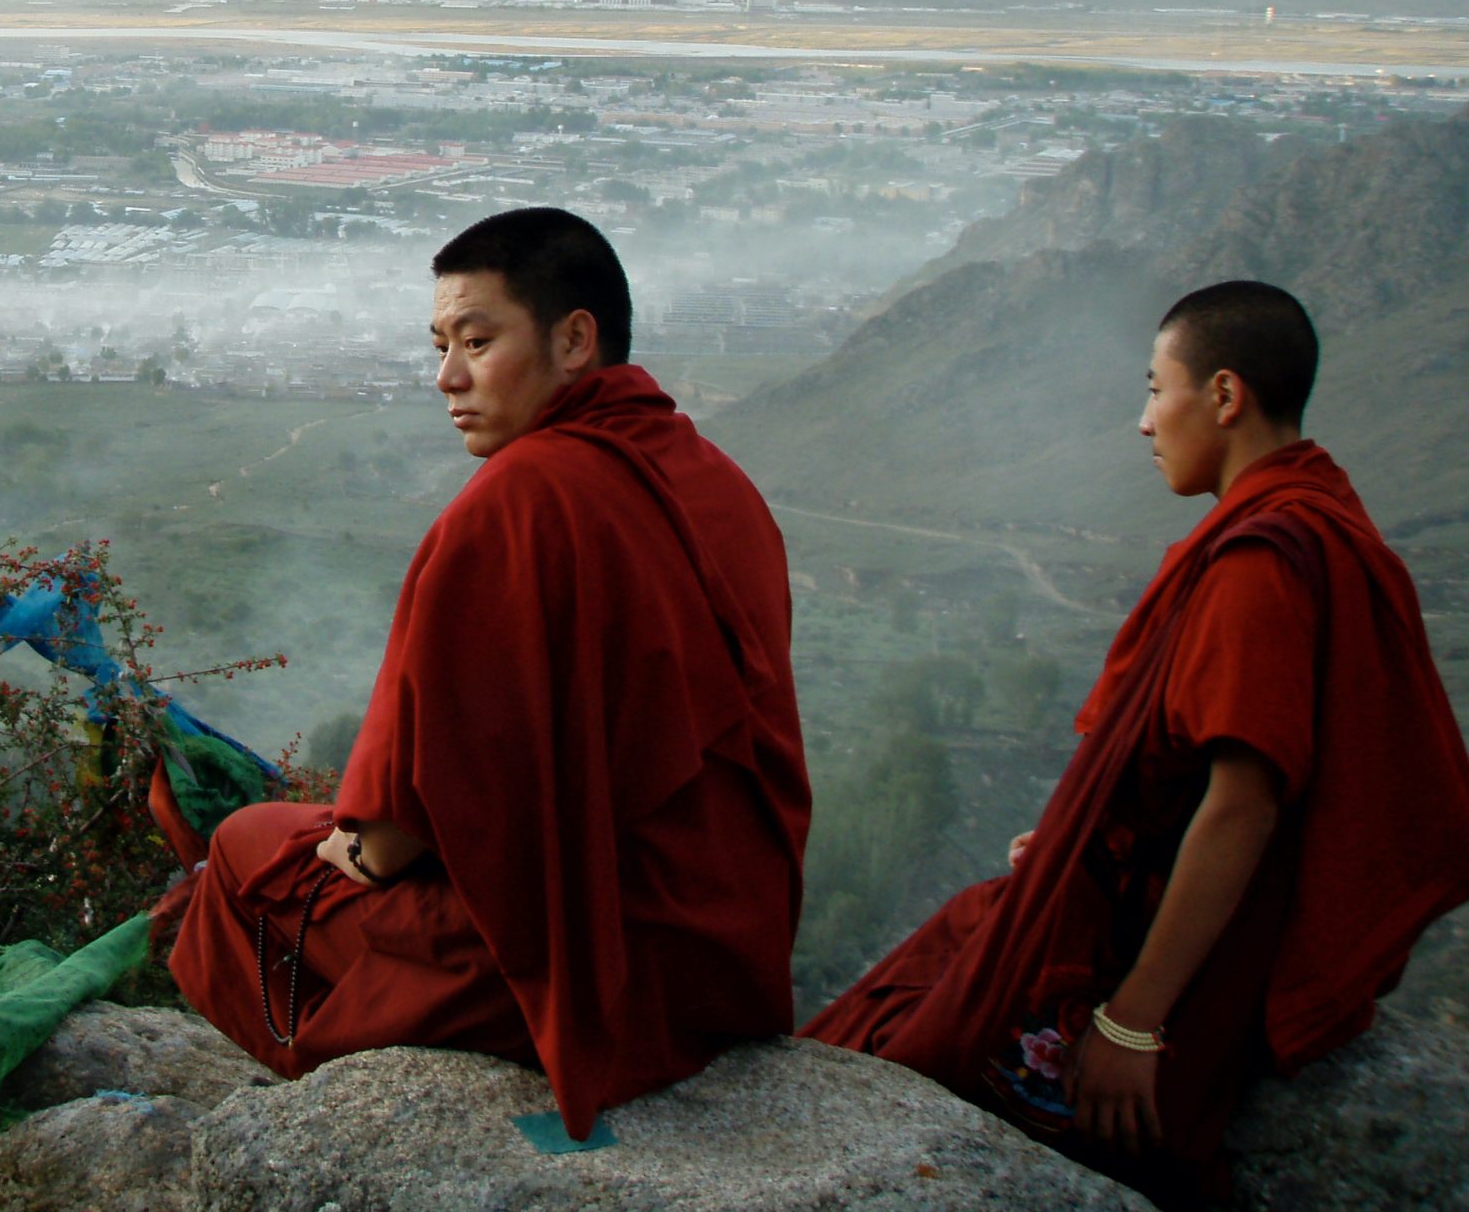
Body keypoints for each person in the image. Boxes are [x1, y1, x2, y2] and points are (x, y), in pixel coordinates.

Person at [803, 280, 1469, 1205]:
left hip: (1180, 974)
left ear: (1225, 397)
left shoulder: (1259, 567)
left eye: (1157, 389)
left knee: (907, 1045)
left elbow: (1243, 804)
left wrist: (1131, 1025)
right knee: (952, 945)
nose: (1144, 422)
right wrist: (1078, 845)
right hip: (1150, 897)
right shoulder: (1315, 517)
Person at [163, 207, 811, 1140]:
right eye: (440, 345)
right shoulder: (717, 481)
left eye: (477, 340)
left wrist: (357, 851)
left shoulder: (517, 502)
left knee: (245, 849)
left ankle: (326, 1116)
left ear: (575, 338)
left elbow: (387, 839)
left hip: (587, 970)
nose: (447, 377)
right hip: (725, 954)